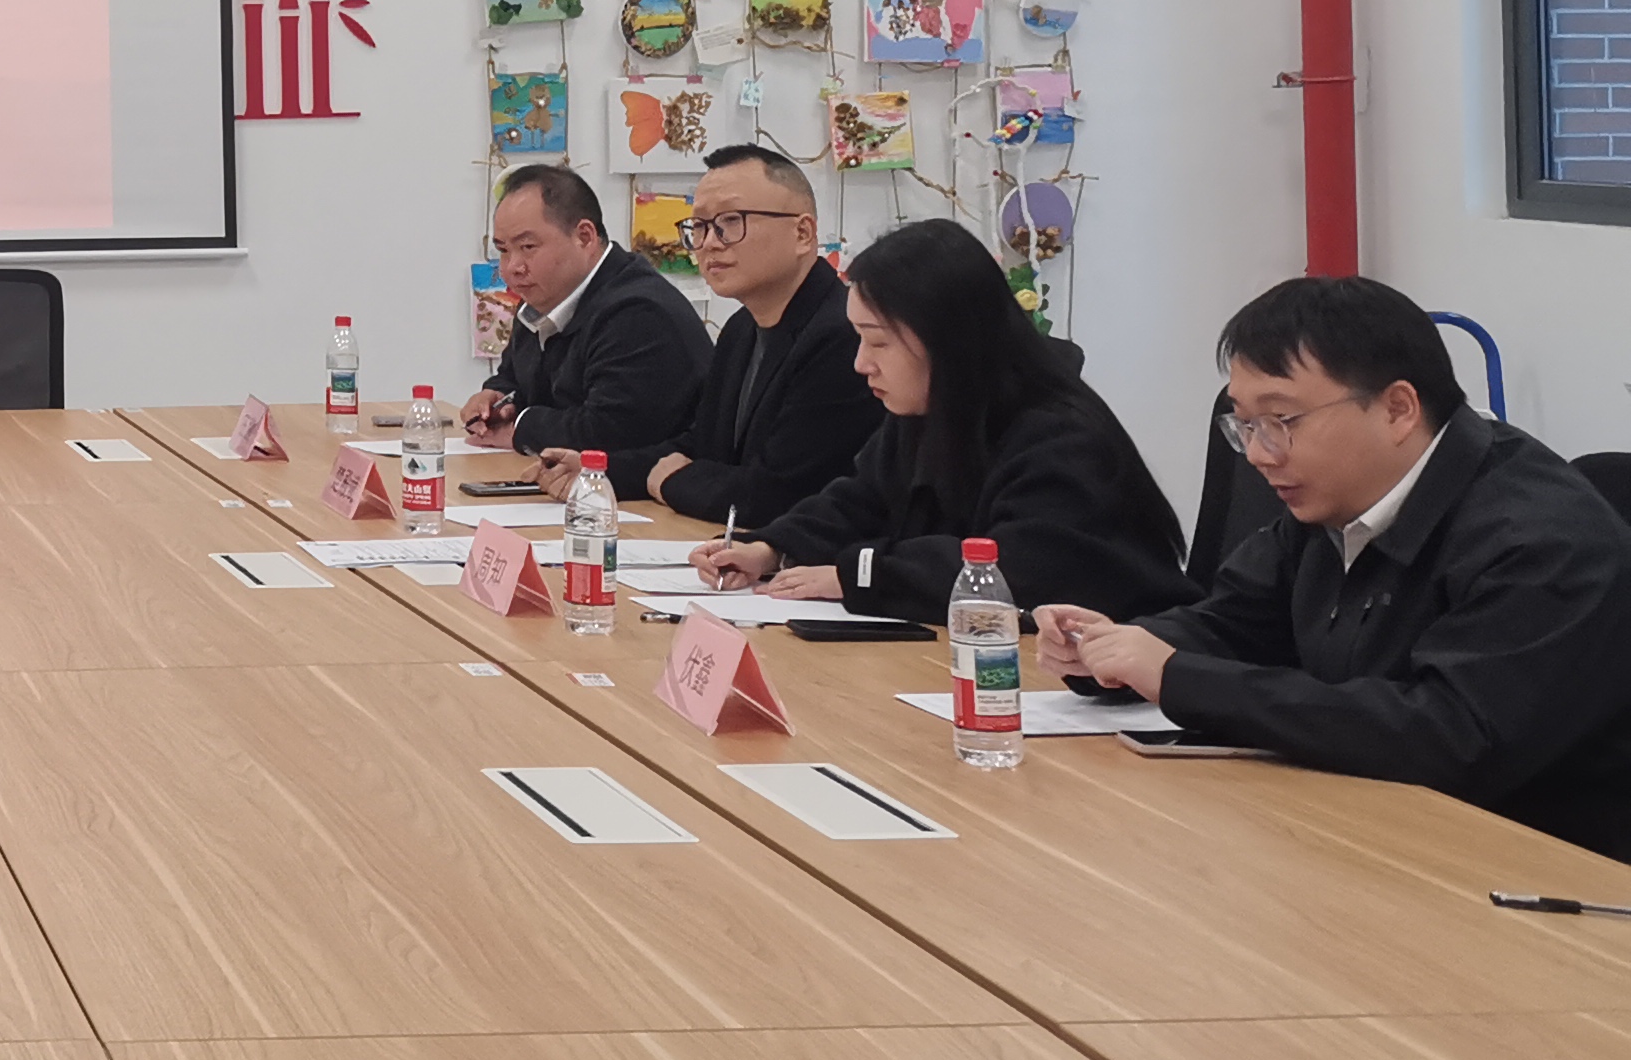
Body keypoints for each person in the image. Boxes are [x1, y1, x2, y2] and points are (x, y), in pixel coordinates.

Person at [1044, 275, 1631, 858]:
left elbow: (1450, 737)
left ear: (1398, 409)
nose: (1257, 454)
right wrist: (1113, 652)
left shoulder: (1543, 541)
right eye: (1244, 424)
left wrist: (1179, 678)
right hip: (1366, 827)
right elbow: (1236, 624)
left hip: (1533, 863)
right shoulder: (1335, 501)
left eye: (1281, 421)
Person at [692, 216, 1188, 622]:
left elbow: (1011, 571)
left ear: (946, 339)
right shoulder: (928, 411)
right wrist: (770, 548)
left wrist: (859, 574)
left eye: (878, 341)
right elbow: (859, 501)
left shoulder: (1060, 439)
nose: (861, 363)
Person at [537, 144, 878, 532]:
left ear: (802, 233)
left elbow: (781, 495)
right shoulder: (741, 329)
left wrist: (670, 481)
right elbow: (702, 446)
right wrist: (601, 470)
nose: (710, 243)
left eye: (731, 221)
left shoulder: (844, 335)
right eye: (699, 226)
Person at [459, 162, 710, 469]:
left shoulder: (638, 313)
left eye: (527, 246)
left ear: (585, 237)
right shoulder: (541, 301)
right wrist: (497, 398)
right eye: (503, 250)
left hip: (648, 492)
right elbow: (518, 380)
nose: (512, 267)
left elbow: (607, 432)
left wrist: (521, 429)